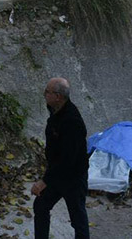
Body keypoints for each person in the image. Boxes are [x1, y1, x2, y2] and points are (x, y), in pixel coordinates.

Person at [32, 77, 89, 239]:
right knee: (41, 205)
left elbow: (67, 159)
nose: (44, 95)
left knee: (78, 219)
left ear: (58, 96)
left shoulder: (72, 121)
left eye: (47, 92)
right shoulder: (55, 110)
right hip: (57, 173)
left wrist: (44, 181)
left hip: (73, 177)